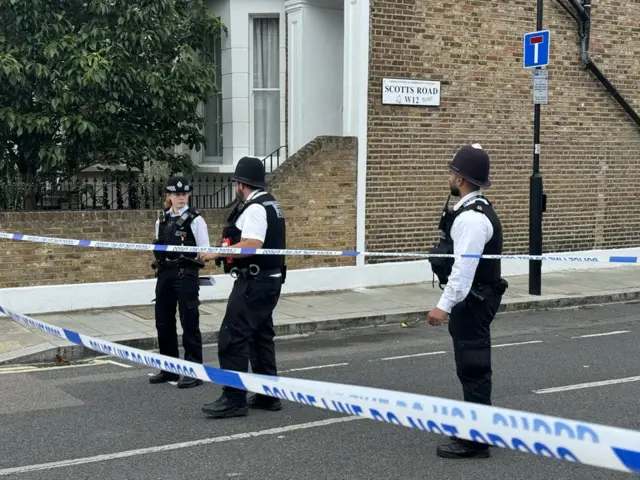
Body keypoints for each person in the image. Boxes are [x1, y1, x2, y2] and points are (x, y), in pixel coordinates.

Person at [426, 143, 509, 459]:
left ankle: (476, 441)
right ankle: (480, 428)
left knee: (473, 366)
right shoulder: (472, 210)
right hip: (475, 298)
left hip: (472, 301)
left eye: (452, 171)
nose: (449, 175)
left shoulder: (471, 220)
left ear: (460, 179)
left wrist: (443, 306)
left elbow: (464, 269)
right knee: (472, 365)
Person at [200, 156, 287, 418]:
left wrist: (217, 252)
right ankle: (266, 394)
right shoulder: (271, 203)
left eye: (236, 182)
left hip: (254, 282)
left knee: (232, 336)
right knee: (260, 337)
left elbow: (252, 244)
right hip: (268, 281)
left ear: (241, 183)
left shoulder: (255, 208)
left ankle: (234, 398)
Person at [149, 175, 211, 389]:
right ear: (169, 196)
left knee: (189, 321)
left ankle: (194, 371)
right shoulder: (162, 220)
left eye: (184, 193)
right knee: (163, 321)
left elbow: (205, 251)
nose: (181, 197)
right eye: (177, 194)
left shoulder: (196, 220)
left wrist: (194, 260)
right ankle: (169, 368)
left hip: (186, 274)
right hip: (166, 273)